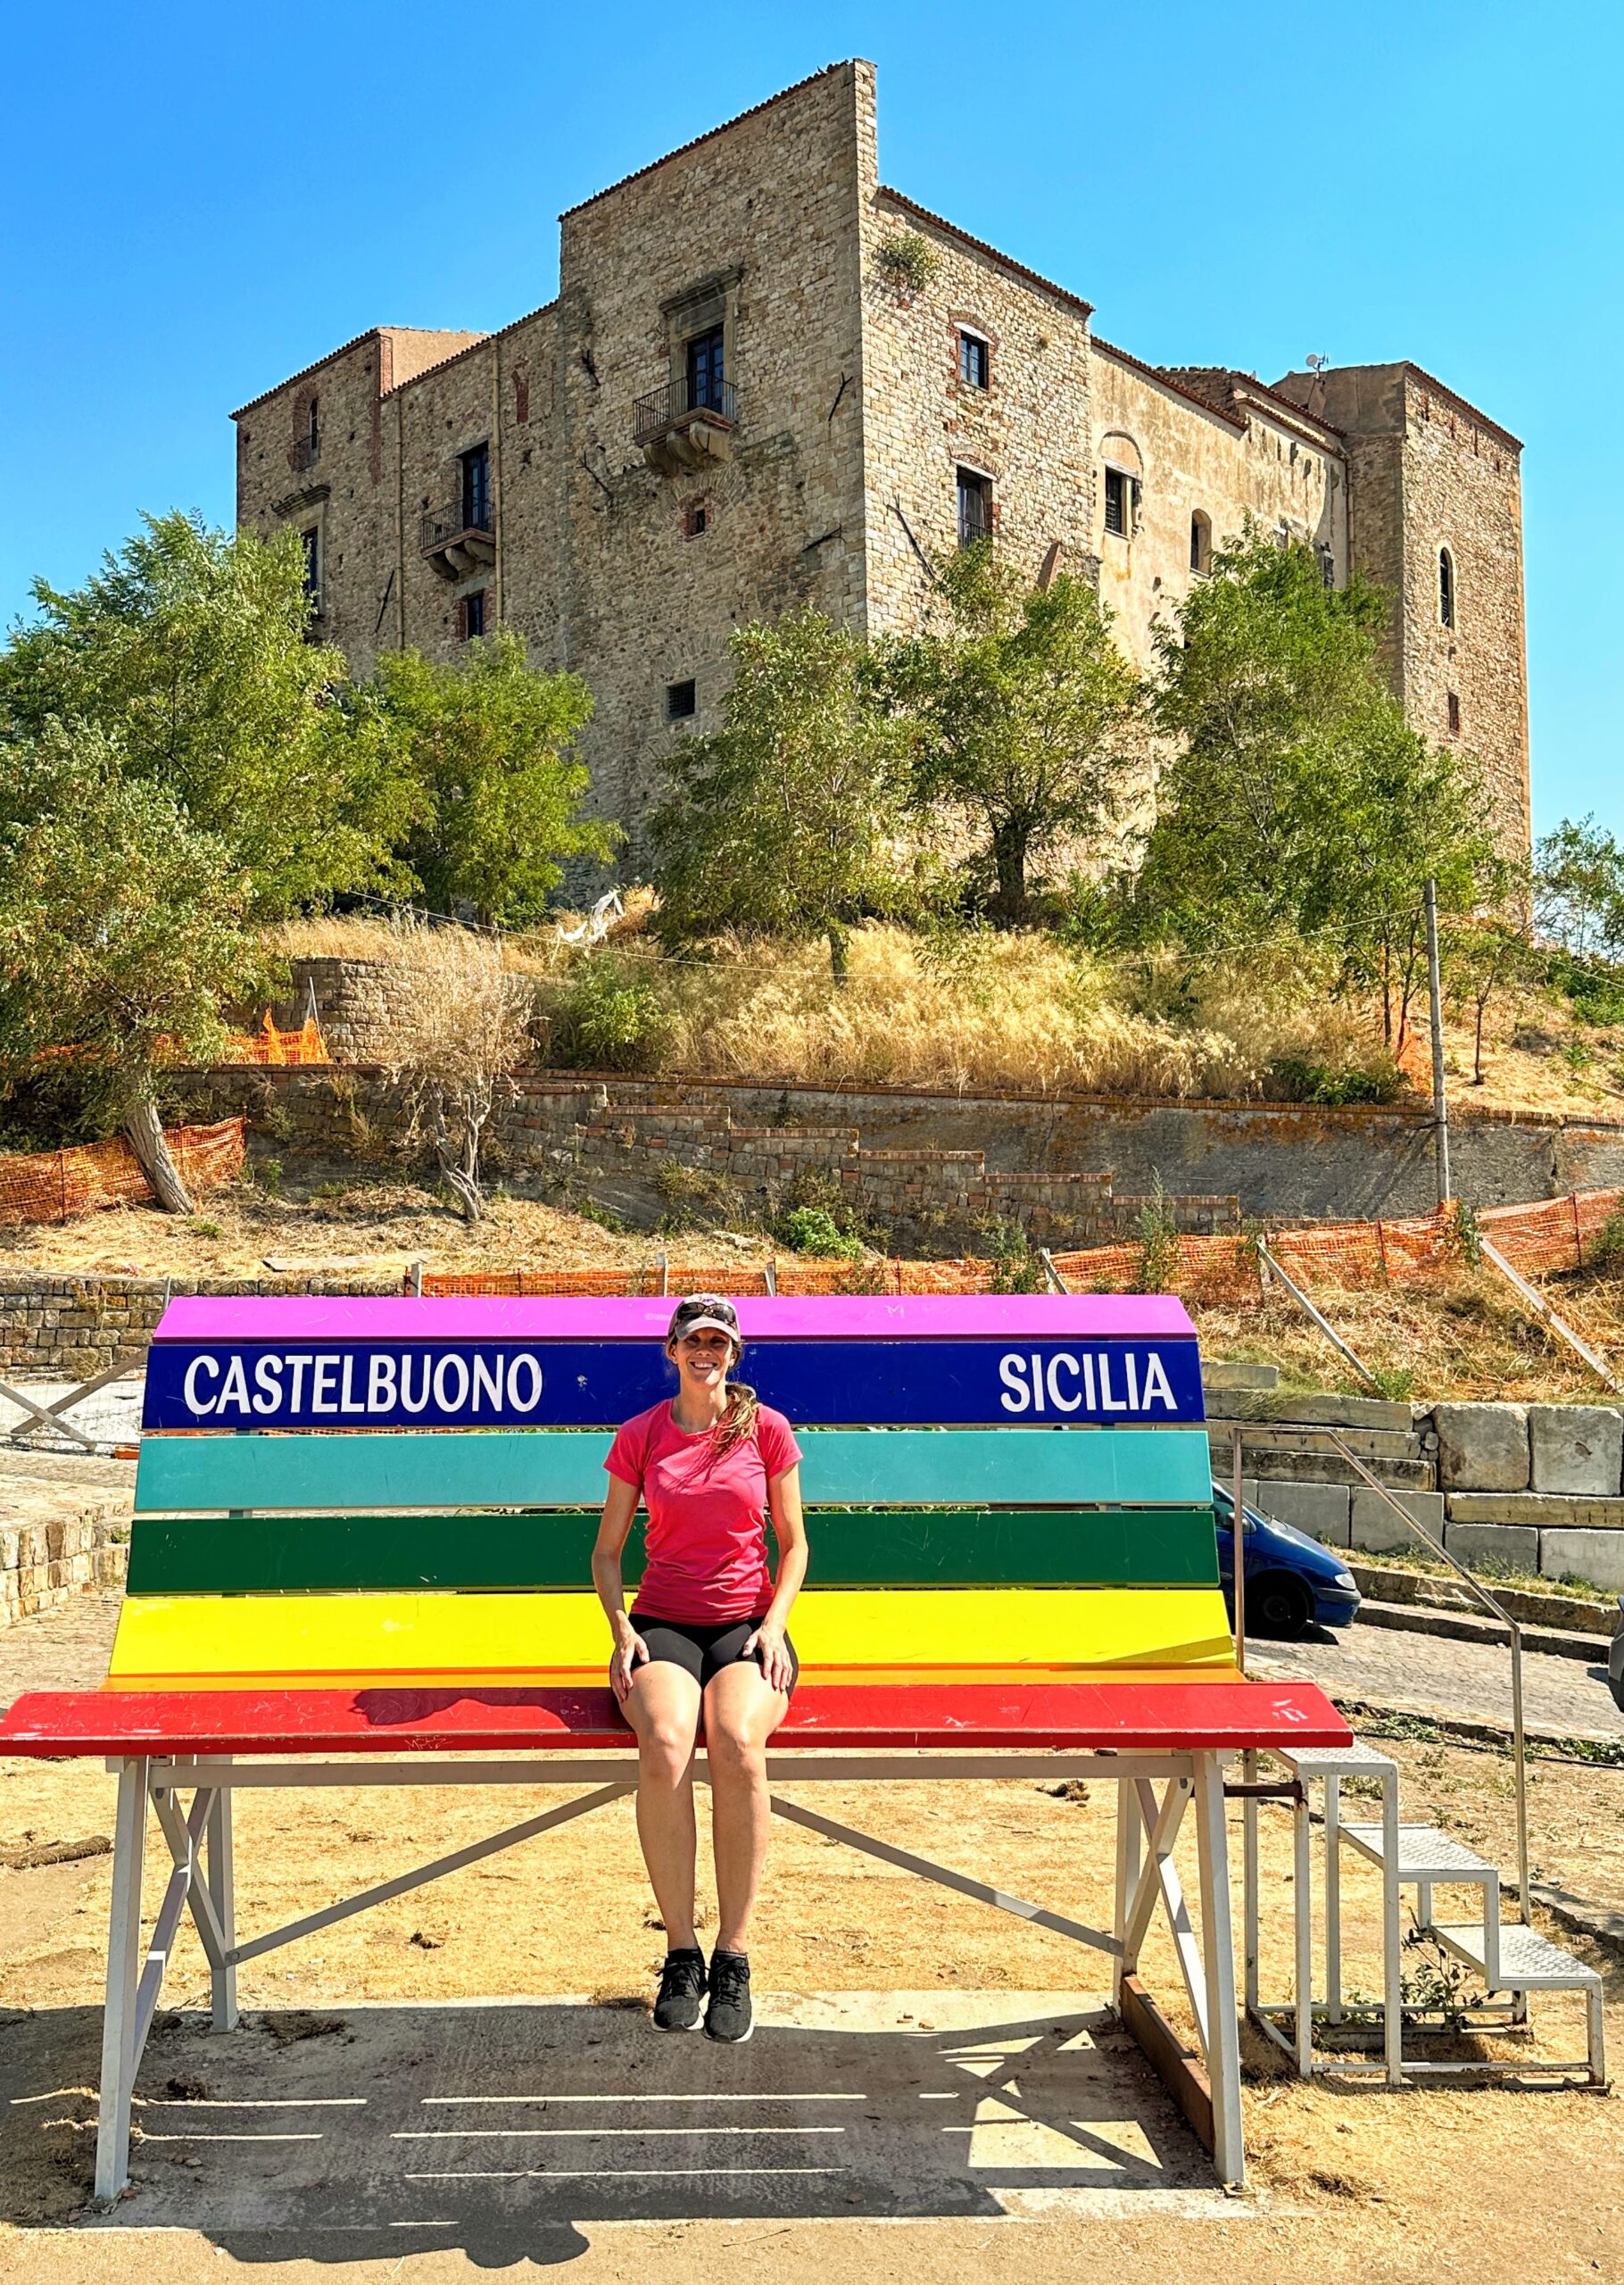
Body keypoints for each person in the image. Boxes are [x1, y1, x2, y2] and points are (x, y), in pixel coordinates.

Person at [592, 1293, 808, 2044]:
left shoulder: (768, 1431)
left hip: (748, 1628)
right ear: (672, 1352)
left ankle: (735, 1955)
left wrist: (776, 1624)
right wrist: (621, 1627)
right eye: (693, 1341)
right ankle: (682, 1951)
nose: (705, 1353)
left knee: (738, 1743)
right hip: (663, 1625)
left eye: (718, 1342)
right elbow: (608, 1552)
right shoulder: (641, 1436)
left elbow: (795, 1545)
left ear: (733, 1354)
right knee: (665, 1742)